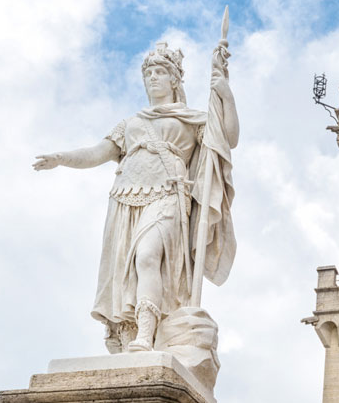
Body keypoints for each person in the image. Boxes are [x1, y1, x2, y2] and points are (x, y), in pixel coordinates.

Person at [33, 42, 239, 353]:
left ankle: (146, 333)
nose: (153, 78)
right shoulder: (131, 123)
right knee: (126, 271)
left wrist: (224, 92)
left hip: (168, 194)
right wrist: (61, 157)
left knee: (146, 256)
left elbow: (229, 138)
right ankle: (129, 334)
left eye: (160, 72)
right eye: (149, 73)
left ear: (174, 80)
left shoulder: (190, 119)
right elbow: (97, 153)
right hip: (125, 197)